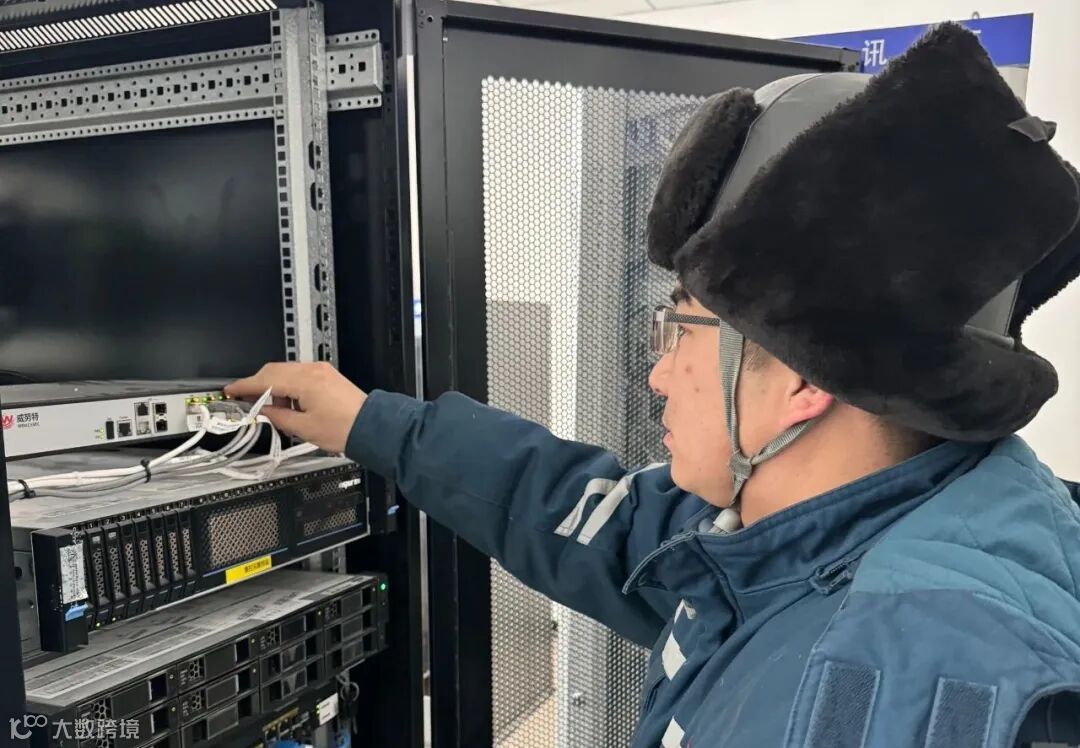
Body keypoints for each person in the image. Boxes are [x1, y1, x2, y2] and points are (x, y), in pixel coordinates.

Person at [228, 23, 1080, 748]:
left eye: (682, 329)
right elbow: (585, 514)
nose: (657, 372)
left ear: (802, 374)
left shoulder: (880, 688)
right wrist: (370, 423)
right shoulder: (850, 519)